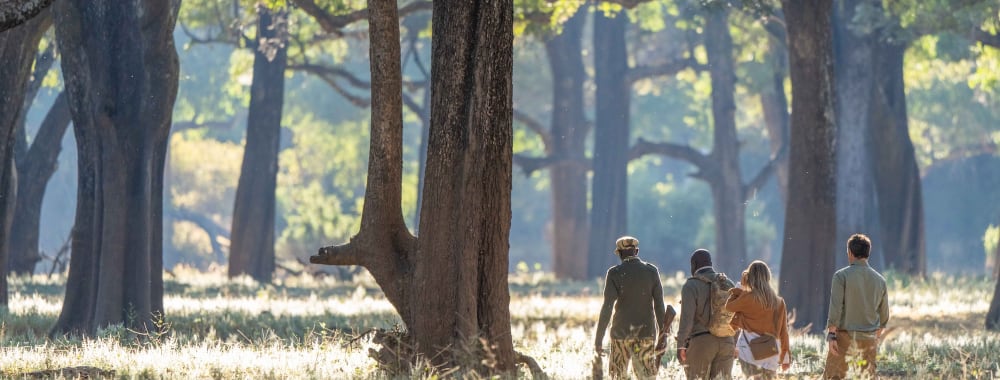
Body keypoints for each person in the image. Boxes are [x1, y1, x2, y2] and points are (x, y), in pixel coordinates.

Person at [594, 236, 667, 380]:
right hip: (646, 335)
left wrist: (598, 338)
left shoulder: (614, 273)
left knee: (617, 376)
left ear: (619, 254)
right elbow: (659, 306)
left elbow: (607, 307)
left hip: (621, 335)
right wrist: (663, 335)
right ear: (637, 251)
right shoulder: (652, 271)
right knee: (646, 377)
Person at [824, 233, 890, 379]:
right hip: (869, 340)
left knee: (833, 377)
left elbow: (835, 308)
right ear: (868, 253)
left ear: (850, 252)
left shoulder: (841, 276)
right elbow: (884, 317)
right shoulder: (880, 281)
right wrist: (874, 337)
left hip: (844, 339)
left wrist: (832, 336)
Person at [724, 260, 791, 379]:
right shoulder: (779, 302)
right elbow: (783, 332)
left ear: (750, 277)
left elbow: (729, 306)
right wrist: (785, 358)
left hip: (748, 353)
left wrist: (739, 287)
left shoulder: (747, 298)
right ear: (768, 277)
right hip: (771, 353)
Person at [676, 249, 735, 380]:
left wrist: (680, 345)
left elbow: (687, 319)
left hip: (701, 343)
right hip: (727, 342)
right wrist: (734, 344)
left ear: (694, 265)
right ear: (710, 263)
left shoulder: (691, 285)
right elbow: (736, 316)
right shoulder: (728, 283)